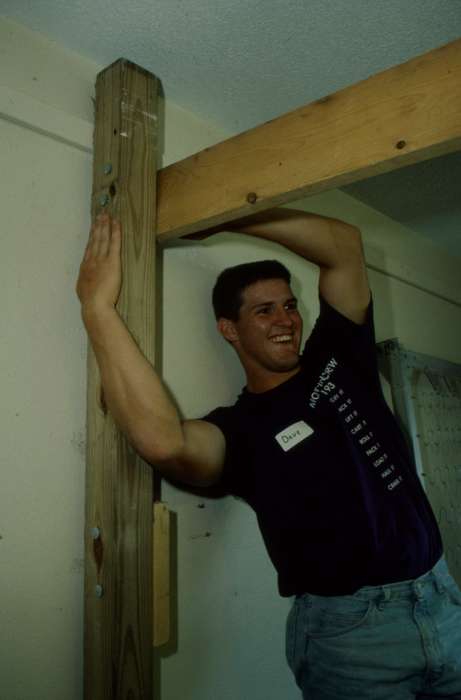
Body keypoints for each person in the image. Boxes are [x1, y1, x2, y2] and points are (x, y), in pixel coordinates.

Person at [77, 209, 461, 700]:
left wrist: (229, 215)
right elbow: (164, 441)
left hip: (442, 598)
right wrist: (97, 308)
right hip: (353, 638)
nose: (285, 320)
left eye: (288, 305)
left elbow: (344, 245)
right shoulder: (241, 430)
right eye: (263, 311)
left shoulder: (339, 356)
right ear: (229, 330)